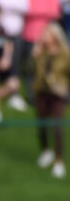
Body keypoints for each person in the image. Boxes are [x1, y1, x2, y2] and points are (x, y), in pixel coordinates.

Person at [33, 22, 70, 179]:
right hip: (42, 91)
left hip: (58, 94)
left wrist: (64, 89)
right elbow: (31, 72)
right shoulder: (41, 53)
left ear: (55, 36)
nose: (43, 37)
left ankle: (59, 160)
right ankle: (46, 151)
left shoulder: (65, 53)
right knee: (41, 124)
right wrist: (35, 56)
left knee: (56, 126)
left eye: (46, 34)